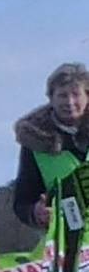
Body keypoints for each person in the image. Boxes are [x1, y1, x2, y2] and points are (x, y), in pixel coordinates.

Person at [11, 62, 89, 227]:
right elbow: (22, 202)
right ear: (51, 98)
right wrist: (36, 212)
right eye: (62, 95)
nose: (69, 102)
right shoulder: (34, 142)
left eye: (76, 94)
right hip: (67, 242)